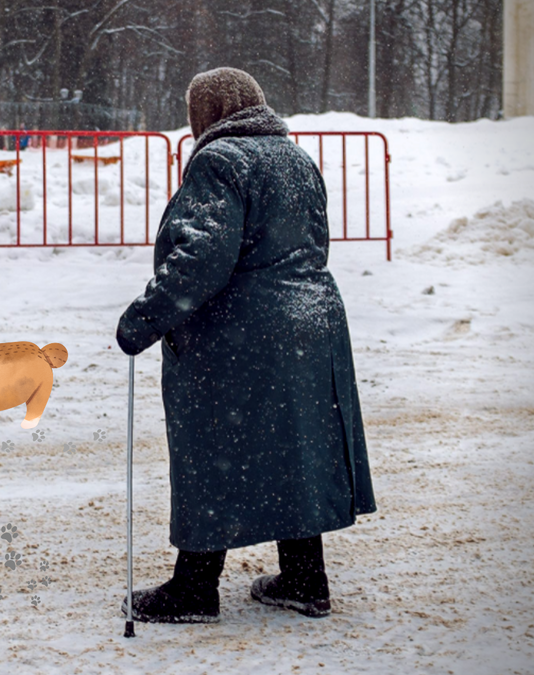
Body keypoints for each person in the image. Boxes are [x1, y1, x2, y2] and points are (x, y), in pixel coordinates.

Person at [115, 67, 376, 623]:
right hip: (312, 323)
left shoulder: (220, 162)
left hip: (242, 333)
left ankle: (194, 588)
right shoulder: (297, 160)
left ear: (203, 116)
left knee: (217, 445)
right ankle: (306, 579)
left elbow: (202, 258)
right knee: (293, 448)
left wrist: (145, 318)